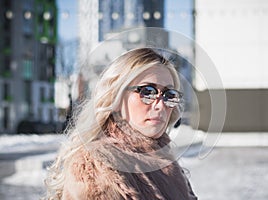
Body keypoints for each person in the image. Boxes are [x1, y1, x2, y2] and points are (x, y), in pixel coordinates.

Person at [44, 48, 197, 200]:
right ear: (116, 97)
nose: (160, 105)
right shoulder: (96, 166)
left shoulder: (163, 161)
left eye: (169, 95)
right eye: (148, 92)